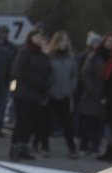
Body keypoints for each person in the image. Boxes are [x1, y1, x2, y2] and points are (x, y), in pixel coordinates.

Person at [9, 28, 51, 160]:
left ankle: (24, 147)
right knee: (21, 121)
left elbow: (48, 72)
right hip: (23, 93)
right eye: (36, 37)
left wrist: (45, 86)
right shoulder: (24, 53)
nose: (39, 40)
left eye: (41, 38)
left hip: (37, 95)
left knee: (30, 123)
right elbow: (19, 71)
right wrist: (38, 82)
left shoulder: (44, 56)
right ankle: (15, 147)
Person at [40, 30, 79, 158]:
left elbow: (74, 75)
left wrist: (70, 88)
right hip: (51, 93)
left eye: (66, 40)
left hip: (65, 94)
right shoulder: (49, 56)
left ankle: (71, 148)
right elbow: (45, 74)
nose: (64, 43)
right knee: (46, 122)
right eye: (61, 40)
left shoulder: (70, 57)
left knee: (67, 123)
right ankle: (44, 147)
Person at [76, 33, 111, 156]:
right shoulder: (95, 56)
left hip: (104, 95)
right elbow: (85, 73)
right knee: (87, 121)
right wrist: (92, 89)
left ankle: (95, 146)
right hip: (91, 94)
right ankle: (84, 146)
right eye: (108, 42)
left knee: (99, 123)